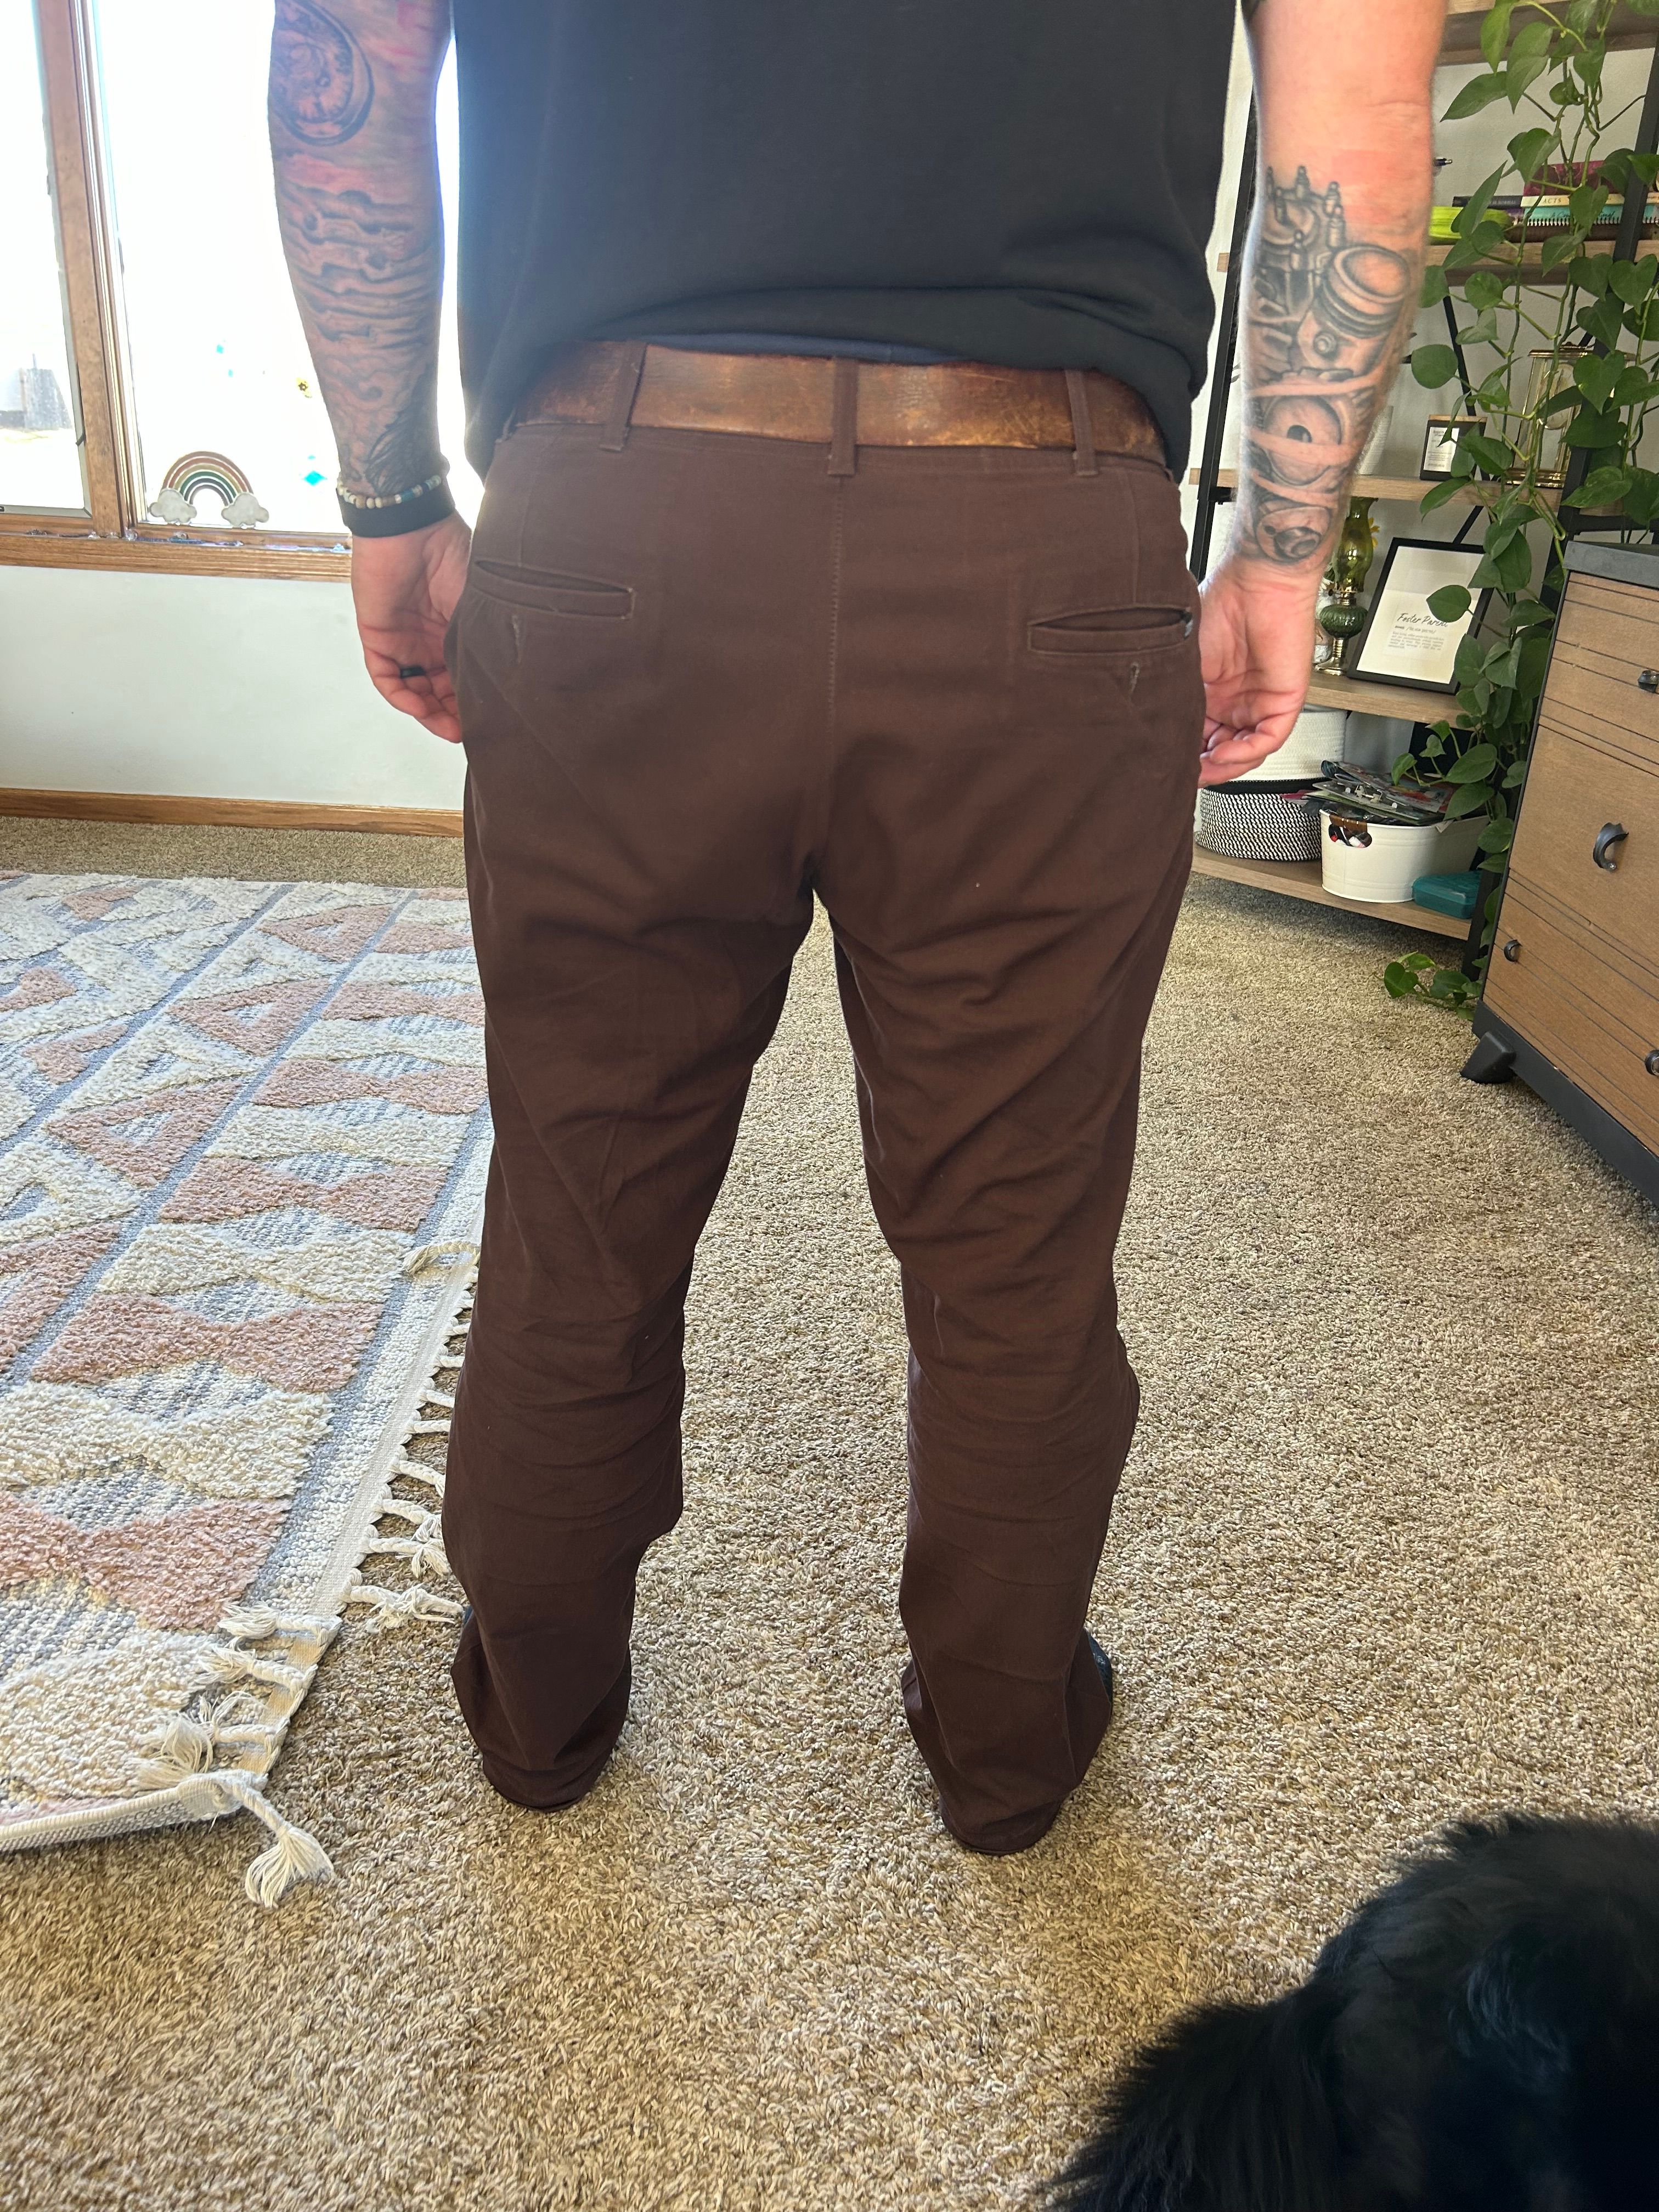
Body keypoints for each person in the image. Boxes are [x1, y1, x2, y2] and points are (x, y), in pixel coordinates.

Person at [270, 0, 1443, 1855]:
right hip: (1044, 528)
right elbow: (1356, 118)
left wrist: (392, 496)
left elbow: (346, 63)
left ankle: (541, 1708)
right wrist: (1281, 556)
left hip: (620, 517)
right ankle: (1004, 1740)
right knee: (1017, 1220)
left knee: (585, 1175)